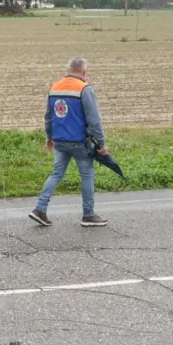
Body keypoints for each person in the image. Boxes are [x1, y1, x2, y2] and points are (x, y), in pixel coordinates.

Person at [29, 57, 110, 228]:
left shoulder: (54, 87)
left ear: (68, 69)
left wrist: (49, 137)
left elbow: (48, 116)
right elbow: (94, 121)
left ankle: (39, 209)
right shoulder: (85, 89)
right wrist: (102, 144)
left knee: (56, 173)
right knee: (87, 175)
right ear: (84, 71)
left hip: (59, 141)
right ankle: (88, 215)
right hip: (80, 142)